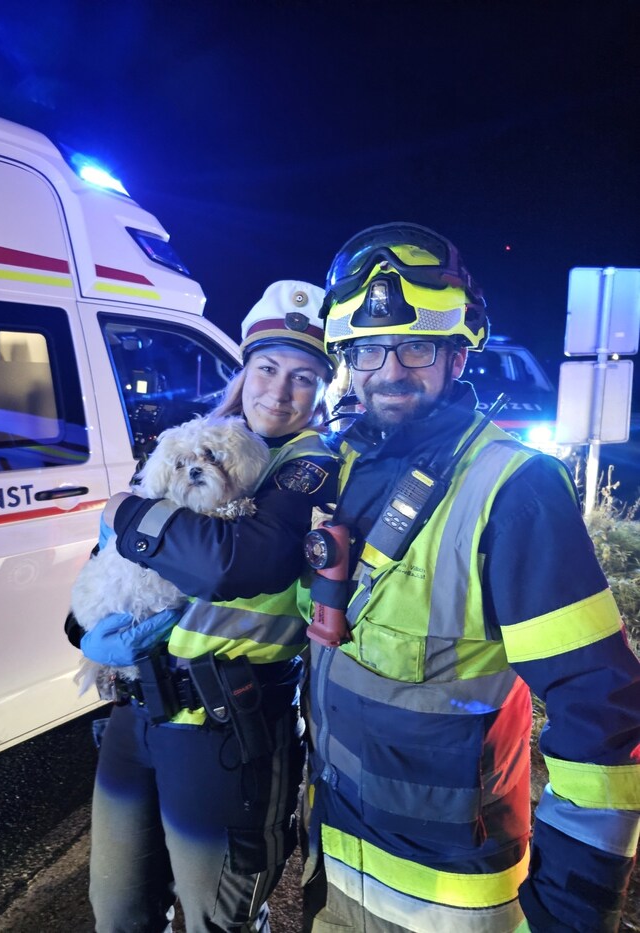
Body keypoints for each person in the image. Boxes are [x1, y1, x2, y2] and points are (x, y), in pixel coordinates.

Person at [299, 222, 640, 933]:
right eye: (367, 349)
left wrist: (572, 911)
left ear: (459, 355)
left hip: (452, 900)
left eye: (417, 346)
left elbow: (601, 712)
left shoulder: (515, 488)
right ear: (346, 358)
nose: (390, 370)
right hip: (335, 865)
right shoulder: (342, 468)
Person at [70, 280, 340, 933]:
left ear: (323, 389)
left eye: (303, 377)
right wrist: (82, 627)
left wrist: (127, 509)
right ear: (244, 372)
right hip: (138, 715)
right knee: (119, 910)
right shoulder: (197, 443)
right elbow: (113, 563)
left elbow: (234, 559)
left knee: (215, 919)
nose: (279, 391)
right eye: (267, 368)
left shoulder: (311, 466)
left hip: (228, 729)